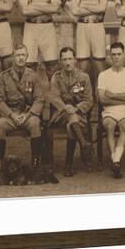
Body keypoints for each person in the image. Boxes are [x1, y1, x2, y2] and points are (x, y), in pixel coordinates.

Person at [0, 43, 45, 172]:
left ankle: (35, 163)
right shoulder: (3, 77)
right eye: (17, 55)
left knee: (35, 124)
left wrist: (27, 115)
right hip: (10, 115)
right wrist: (11, 115)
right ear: (12, 57)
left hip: (28, 114)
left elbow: (39, 99)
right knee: (0, 126)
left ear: (27, 57)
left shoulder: (34, 76)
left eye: (23, 55)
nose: (20, 58)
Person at [48, 47, 94, 176]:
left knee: (70, 126)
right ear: (60, 62)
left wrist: (76, 108)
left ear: (75, 60)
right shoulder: (56, 78)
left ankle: (68, 165)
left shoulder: (84, 77)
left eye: (70, 59)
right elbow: (54, 97)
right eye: (64, 59)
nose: (67, 62)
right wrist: (65, 107)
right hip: (60, 114)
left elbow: (89, 100)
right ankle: (84, 144)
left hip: (78, 114)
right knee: (70, 118)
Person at [97, 42, 125, 178]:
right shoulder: (103, 75)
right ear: (110, 57)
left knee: (124, 126)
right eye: (113, 54)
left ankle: (116, 160)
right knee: (109, 126)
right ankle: (116, 161)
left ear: (124, 56)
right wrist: (123, 97)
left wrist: (113, 95)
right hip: (108, 110)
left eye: (119, 54)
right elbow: (102, 99)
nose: (116, 57)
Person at [18, 0, 61, 81]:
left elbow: (54, 9)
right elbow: (25, 11)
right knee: (29, 64)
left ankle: (54, 97)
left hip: (47, 27)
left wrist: (33, 5)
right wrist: (45, 5)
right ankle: (30, 98)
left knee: (52, 64)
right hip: (30, 27)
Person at [69, 0, 108, 87]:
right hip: (82, 26)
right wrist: (94, 8)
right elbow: (75, 10)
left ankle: (101, 102)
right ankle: (85, 101)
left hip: (97, 26)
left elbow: (102, 8)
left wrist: (84, 6)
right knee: (83, 66)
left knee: (99, 65)